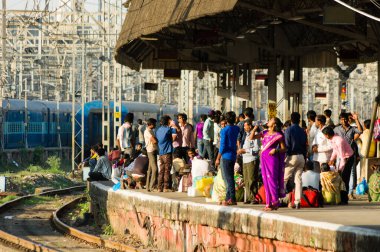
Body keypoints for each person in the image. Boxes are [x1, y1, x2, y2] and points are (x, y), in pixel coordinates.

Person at [250, 117, 287, 211]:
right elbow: (252, 138)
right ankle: (268, 203)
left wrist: (276, 150)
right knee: (265, 181)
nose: (269, 120)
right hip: (264, 158)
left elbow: (284, 149)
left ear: (274, 124)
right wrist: (254, 129)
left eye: (271, 120)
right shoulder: (265, 133)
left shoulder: (278, 135)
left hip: (272, 158)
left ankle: (275, 202)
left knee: (272, 180)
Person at [334, 112, 362, 200]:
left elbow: (360, 131)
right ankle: (341, 192)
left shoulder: (352, 129)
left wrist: (356, 119)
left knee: (351, 174)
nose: (344, 121)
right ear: (340, 120)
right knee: (340, 173)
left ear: (348, 119)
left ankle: (349, 192)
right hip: (340, 154)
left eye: (345, 119)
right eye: (342, 119)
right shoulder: (336, 129)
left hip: (350, 154)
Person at [215, 111, 240, 206]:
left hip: (225, 156)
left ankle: (232, 198)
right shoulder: (236, 128)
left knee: (228, 178)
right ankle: (227, 197)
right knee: (230, 177)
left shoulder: (224, 130)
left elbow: (222, 146)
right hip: (233, 155)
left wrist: (218, 158)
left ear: (226, 120)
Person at [323, 126, 354, 204]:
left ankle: (344, 199)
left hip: (348, 158)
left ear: (327, 135)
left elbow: (342, 156)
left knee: (344, 178)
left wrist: (340, 169)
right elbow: (335, 151)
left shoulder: (339, 141)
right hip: (343, 158)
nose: (324, 136)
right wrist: (331, 160)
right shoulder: (333, 140)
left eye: (324, 135)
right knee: (341, 178)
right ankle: (341, 197)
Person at [284, 112, 307, 209]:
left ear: (291, 120)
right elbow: (305, 145)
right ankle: (297, 202)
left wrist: (285, 157)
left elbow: (287, 144)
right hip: (301, 156)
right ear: (299, 120)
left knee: (284, 178)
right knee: (298, 180)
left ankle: (278, 198)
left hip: (291, 156)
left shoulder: (288, 130)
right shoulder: (303, 131)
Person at [237, 119, 260, 204]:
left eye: (245, 125)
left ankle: (254, 197)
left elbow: (256, 150)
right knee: (246, 179)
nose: (244, 127)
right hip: (245, 159)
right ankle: (249, 197)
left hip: (251, 159)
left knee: (252, 179)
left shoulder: (255, 135)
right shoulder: (246, 135)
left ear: (250, 126)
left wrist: (244, 150)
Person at [156, 115, 176, 192]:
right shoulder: (168, 129)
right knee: (167, 170)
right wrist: (173, 124)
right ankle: (165, 187)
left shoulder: (158, 130)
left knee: (161, 170)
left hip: (161, 152)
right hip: (167, 152)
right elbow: (174, 134)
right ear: (168, 121)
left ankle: (159, 187)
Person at [144, 118, 158, 192]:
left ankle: (147, 187)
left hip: (153, 150)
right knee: (155, 169)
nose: (155, 125)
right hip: (150, 151)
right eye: (154, 124)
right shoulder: (147, 132)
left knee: (149, 170)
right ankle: (152, 186)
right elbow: (154, 140)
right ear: (151, 124)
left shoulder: (151, 131)